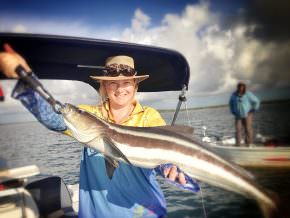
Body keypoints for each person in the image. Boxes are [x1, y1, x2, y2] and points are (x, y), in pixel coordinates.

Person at [0, 44, 199, 218]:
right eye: (113, 82)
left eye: (126, 82)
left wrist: (170, 168)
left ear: (135, 85)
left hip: (145, 212)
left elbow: (163, 155)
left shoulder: (149, 116)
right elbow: (54, 118)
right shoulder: (88, 114)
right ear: (104, 85)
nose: (120, 88)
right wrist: (25, 76)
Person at [229, 82, 260, 146]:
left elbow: (256, 101)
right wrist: (233, 111)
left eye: (242, 87)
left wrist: (253, 109)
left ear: (244, 88)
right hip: (238, 116)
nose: (241, 88)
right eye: (239, 87)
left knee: (248, 129)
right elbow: (230, 103)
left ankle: (249, 143)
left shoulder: (248, 94)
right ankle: (238, 144)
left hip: (247, 115)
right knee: (238, 130)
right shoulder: (233, 95)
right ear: (238, 87)